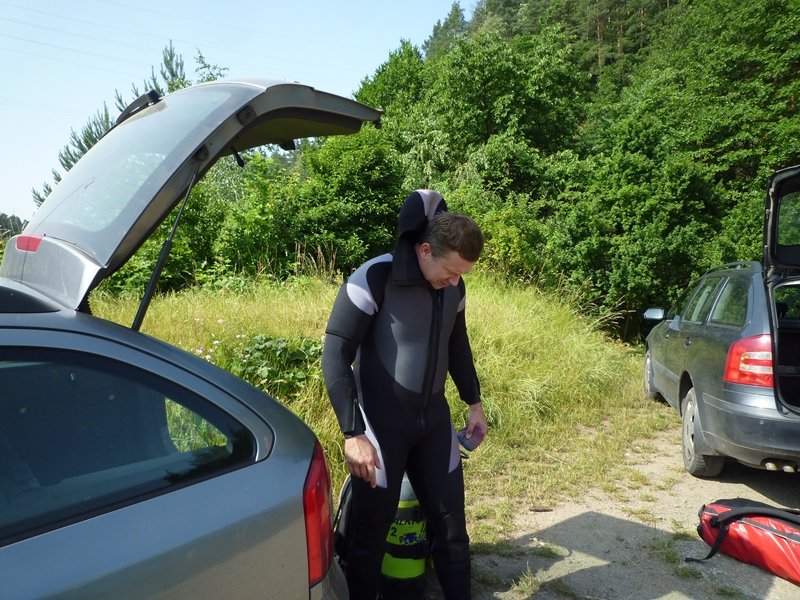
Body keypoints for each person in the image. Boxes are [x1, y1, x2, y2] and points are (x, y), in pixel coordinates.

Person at [321, 189, 487, 599]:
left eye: (462, 275)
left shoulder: (455, 288)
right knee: (369, 538)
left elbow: (457, 346)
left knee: (453, 532)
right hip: (380, 429)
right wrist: (353, 433)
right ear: (425, 250)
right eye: (450, 271)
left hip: (433, 424)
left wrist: (474, 403)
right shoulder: (375, 277)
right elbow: (335, 355)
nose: (455, 282)